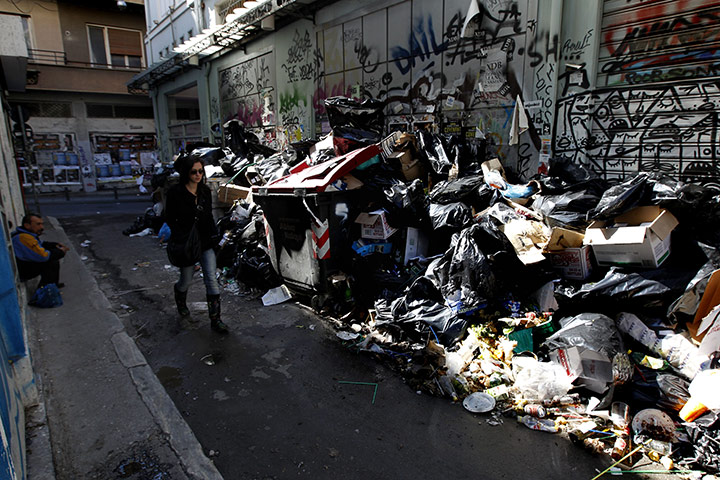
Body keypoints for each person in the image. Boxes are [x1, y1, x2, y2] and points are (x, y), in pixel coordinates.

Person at [165, 154, 228, 334]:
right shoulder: (175, 193)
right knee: (186, 280)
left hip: (205, 241)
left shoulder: (205, 192)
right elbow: (169, 218)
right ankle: (180, 298)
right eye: (194, 172)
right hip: (186, 242)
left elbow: (208, 217)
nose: (198, 175)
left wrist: (215, 237)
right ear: (186, 172)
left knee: (211, 279)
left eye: (201, 171)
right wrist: (180, 234)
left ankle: (216, 320)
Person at [12, 213, 69, 287]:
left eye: (42, 224)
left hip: (26, 264)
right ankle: (46, 290)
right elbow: (43, 256)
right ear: (27, 225)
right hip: (23, 270)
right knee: (51, 262)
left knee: (52, 259)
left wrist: (55, 245)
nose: (41, 227)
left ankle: (52, 286)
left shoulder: (27, 234)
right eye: (38, 224)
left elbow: (41, 244)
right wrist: (60, 251)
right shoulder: (24, 238)